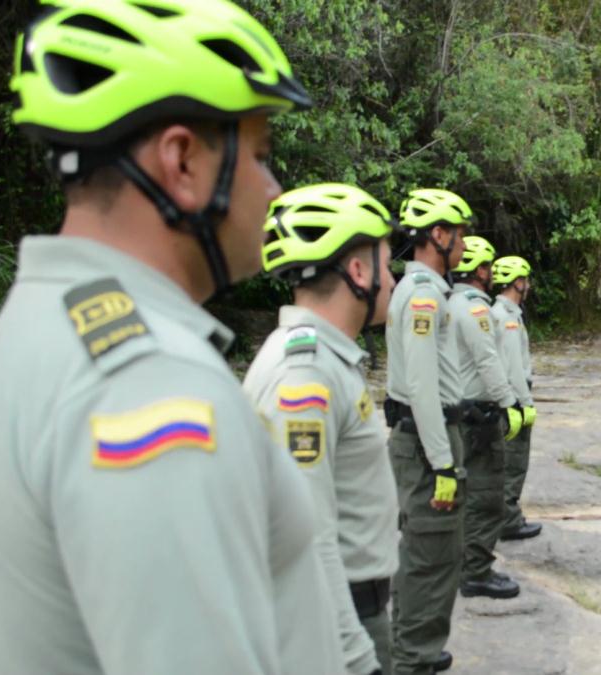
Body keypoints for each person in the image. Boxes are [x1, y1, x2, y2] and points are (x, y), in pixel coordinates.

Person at [0, 2, 351, 674]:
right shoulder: (152, 383)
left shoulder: (37, 323)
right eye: (259, 155)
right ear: (182, 162)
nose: (275, 186)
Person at [243, 184, 399, 675]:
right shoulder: (304, 375)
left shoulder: (327, 360)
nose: (394, 281)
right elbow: (308, 535)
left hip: (352, 607)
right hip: (340, 620)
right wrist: (354, 656)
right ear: (358, 272)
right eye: (387, 265)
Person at [384, 188, 471, 675]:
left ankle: (414, 645)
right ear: (438, 235)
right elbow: (420, 386)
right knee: (432, 554)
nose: (463, 245)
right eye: (459, 235)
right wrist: (442, 462)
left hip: (425, 438)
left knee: (428, 549)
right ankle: (412, 657)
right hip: (425, 442)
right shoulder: (422, 297)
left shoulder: (427, 291)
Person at [447, 236, 528, 601]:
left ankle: (464, 563)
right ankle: (476, 571)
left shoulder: (448, 302)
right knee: (486, 496)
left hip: (457, 409)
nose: (493, 273)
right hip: (478, 414)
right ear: (480, 270)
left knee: (466, 494)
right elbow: (489, 361)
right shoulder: (476, 309)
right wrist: (512, 403)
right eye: (489, 267)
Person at [491, 255, 543, 542]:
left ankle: (504, 515)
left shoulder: (497, 312)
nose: (529, 286)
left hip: (504, 399)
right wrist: (526, 404)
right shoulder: (508, 319)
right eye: (526, 281)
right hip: (513, 400)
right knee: (514, 462)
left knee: (503, 461)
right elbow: (513, 368)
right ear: (518, 282)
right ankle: (508, 520)